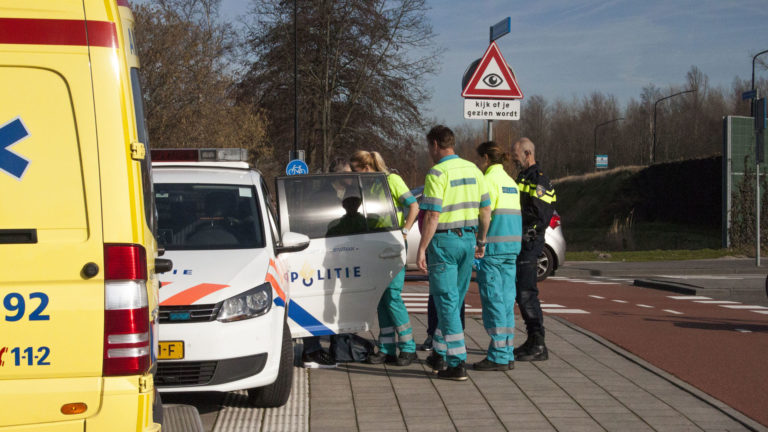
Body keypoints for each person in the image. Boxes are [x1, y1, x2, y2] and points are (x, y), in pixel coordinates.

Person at [417, 125, 491, 381]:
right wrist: (481, 241)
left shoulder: (437, 172)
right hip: (468, 240)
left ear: (436, 144)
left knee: (446, 303)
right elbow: (485, 211)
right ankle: (438, 352)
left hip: (444, 243)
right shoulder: (474, 170)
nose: (429, 152)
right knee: (453, 300)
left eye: (429, 147)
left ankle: (457, 363)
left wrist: (422, 247)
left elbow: (433, 215)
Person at [350, 150, 419, 366]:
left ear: (367, 167)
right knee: (381, 297)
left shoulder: (392, 180)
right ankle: (387, 347)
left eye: (356, 170)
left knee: (393, 295)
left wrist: (405, 231)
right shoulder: (368, 185)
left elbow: (414, 206)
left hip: (393, 243)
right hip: (377, 244)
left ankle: (408, 347)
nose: (355, 175)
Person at [472, 141, 522, 371]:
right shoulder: (511, 182)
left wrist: (480, 241)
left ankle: (499, 356)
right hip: (511, 250)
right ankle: (507, 351)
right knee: (506, 301)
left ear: (485, 158)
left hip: (492, 250)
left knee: (493, 302)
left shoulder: (487, 181)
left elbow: (485, 214)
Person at [301, 157, 352, 368]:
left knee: (338, 301)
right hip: (322, 253)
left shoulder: (349, 194)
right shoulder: (321, 196)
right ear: (338, 175)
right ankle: (311, 349)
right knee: (319, 301)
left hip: (340, 253)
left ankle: (337, 346)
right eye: (348, 173)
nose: (351, 177)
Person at [511, 138, 556, 362]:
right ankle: (532, 339)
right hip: (522, 241)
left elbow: (542, 214)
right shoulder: (523, 177)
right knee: (521, 292)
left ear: (528, 153)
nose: (513, 158)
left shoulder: (539, 180)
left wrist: (529, 232)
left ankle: (539, 343)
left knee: (527, 292)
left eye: (516, 154)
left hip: (530, 241)